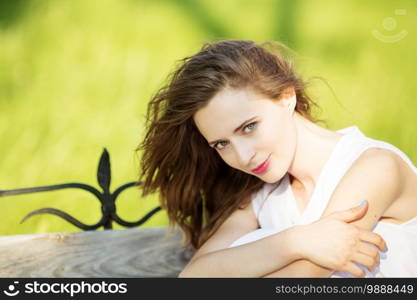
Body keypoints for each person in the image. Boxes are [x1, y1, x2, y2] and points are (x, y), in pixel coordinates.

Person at [136, 39, 417, 277]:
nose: (243, 157)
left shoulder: (375, 167)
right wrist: (295, 241)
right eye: (222, 144)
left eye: (248, 127)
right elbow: (193, 277)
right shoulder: (264, 195)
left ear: (286, 97)